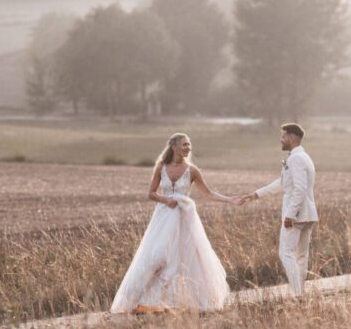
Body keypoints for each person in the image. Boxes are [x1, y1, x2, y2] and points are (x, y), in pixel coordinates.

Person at [110, 133, 233, 314]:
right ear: (174, 146)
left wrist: (231, 200)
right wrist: (166, 200)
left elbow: (209, 194)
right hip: (163, 217)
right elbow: (151, 193)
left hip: (184, 219)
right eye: (184, 144)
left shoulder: (192, 170)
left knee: (185, 257)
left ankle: (182, 301)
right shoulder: (161, 167)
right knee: (157, 255)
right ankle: (144, 301)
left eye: (189, 145)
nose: (188, 148)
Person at [235, 123, 317, 296]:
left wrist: (290, 214)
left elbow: (300, 189)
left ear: (292, 138)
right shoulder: (304, 157)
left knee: (286, 254)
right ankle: (301, 292)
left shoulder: (295, 159)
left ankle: (298, 294)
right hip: (308, 214)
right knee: (301, 257)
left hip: (296, 215)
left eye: (283, 136)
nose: (281, 140)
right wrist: (256, 194)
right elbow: (282, 183)